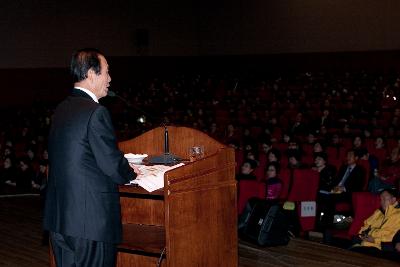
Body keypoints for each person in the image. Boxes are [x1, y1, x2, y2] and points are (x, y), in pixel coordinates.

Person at [43, 48, 138, 267]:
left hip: (60, 220)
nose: (110, 79)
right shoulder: (95, 112)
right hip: (90, 223)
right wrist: (133, 172)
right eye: (107, 72)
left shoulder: (61, 109)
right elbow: (112, 164)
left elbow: (80, 157)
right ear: (92, 74)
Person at [351, 188, 400, 257]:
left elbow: (394, 237)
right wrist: (363, 235)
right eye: (381, 199)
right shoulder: (378, 212)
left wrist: (374, 240)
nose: (382, 202)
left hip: (379, 249)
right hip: (364, 244)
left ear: (393, 200)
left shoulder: (398, 215)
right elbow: (366, 225)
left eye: (385, 199)